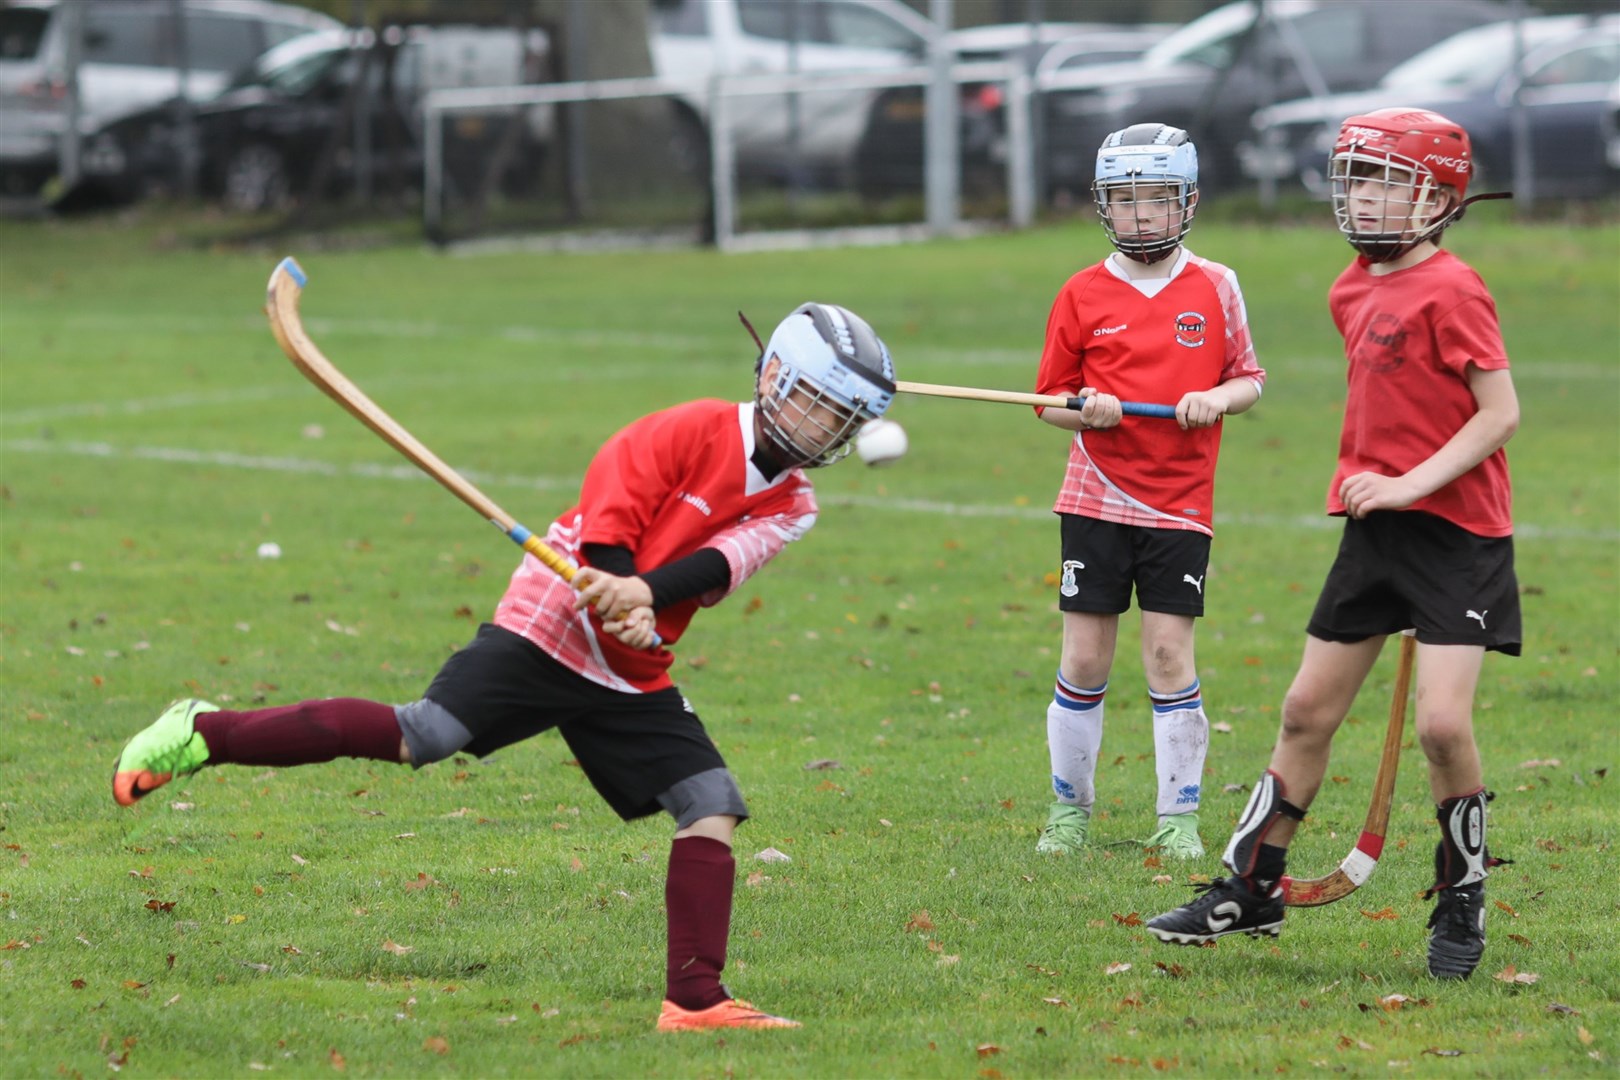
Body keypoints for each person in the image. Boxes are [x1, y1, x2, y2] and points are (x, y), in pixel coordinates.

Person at [111, 301, 900, 1030]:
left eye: (840, 418)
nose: (822, 427)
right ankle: (203, 732)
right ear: (772, 379)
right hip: (553, 619)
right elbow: (613, 506)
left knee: (711, 802)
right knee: (426, 734)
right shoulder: (688, 429)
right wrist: (613, 574)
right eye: (815, 402)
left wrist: (640, 593)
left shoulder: (795, 503)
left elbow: (724, 563)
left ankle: (694, 998)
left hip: (629, 662)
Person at [1146, 108, 1520, 982]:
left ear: (1436, 197)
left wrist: (1408, 484)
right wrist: (1376, 490)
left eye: (1383, 180)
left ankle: (1462, 893)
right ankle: (1251, 886)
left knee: (1441, 725)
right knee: (1305, 714)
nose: (1360, 196)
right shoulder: (1350, 287)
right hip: (1372, 531)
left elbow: (1500, 414)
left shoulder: (1456, 289)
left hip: (1459, 536)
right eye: (1352, 177)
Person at [1030, 123, 1266, 860]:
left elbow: (1249, 378)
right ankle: (1069, 813)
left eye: (1155, 200)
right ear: (1105, 206)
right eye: (1124, 201)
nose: (1140, 215)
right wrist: (1084, 407)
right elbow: (1046, 399)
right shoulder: (1081, 292)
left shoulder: (1217, 285)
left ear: (1185, 202)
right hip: (1095, 496)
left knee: (1168, 655)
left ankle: (1180, 818)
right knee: (1086, 658)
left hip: (1179, 501)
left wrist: (1217, 400)